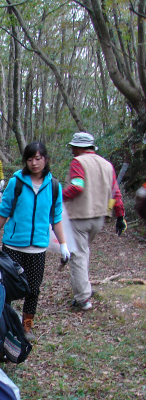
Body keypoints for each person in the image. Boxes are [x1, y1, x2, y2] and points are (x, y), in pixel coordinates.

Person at [0, 141, 70, 341]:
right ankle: (3, 324)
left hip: (37, 248)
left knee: (33, 289)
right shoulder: (16, 182)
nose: (34, 163)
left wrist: (63, 244)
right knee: (6, 288)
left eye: (38, 158)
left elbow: (56, 218)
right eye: (30, 159)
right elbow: (4, 212)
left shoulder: (54, 186)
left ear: (46, 159)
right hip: (13, 245)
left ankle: (26, 326)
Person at [62, 132, 127, 311]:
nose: (72, 150)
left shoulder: (78, 162)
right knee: (83, 253)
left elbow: (77, 186)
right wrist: (120, 216)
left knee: (79, 256)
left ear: (80, 148)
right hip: (99, 218)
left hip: (79, 217)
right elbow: (115, 193)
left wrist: (58, 196)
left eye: (73, 147)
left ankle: (83, 298)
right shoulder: (107, 165)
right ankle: (82, 290)